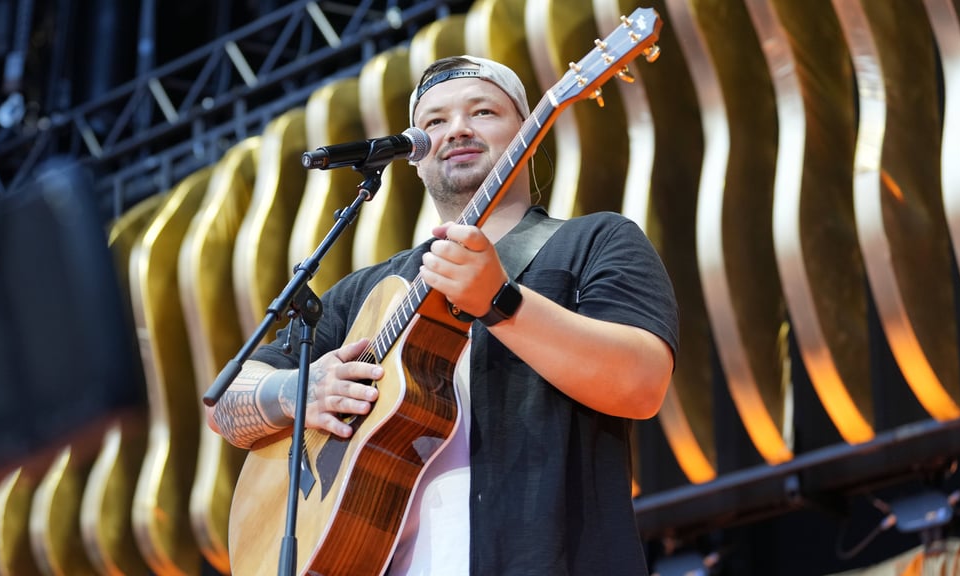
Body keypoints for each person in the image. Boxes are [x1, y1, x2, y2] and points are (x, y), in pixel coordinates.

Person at [207, 55, 678, 575]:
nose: (456, 130)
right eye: (433, 122)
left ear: (530, 131)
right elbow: (224, 399)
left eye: (482, 112)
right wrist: (302, 391)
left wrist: (501, 301)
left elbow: (642, 383)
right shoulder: (367, 292)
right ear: (414, 155)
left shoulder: (595, 241)